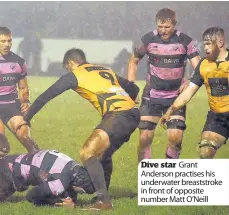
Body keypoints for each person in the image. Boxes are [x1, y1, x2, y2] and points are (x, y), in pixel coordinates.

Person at [24, 48, 140, 210]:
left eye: (67, 67)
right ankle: (102, 194)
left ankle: (104, 201)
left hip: (119, 115)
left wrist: (26, 118)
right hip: (132, 114)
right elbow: (134, 89)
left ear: (71, 63)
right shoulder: (103, 69)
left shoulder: (76, 74)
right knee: (103, 154)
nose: (68, 71)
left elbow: (47, 95)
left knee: (87, 152)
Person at [127, 8, 201, 162]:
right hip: (151, 97)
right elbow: (133, 61)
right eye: (160, 26)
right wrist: (131, 87)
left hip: (175, 97)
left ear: (174, 25)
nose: (163, 30)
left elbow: (199, 67)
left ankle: (168, 175)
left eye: (167, 27)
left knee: (175, 138)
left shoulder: (185, 41)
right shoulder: (148, 40)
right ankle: (146, 177)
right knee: (145, 138)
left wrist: (188, 80)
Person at [161, 27, 229, 158]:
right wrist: (170, 111)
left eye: (209, 44)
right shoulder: (204, 64)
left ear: (220, 42)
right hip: (218, 118)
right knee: (205, 152)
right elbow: (189, 91)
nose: (205, 48)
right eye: (204, 44)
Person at [0, 150, 95, 208]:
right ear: (79, 186)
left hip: (9, 162)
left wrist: (72, 202)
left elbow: (66, 186)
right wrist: (55, 205)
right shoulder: (60, 182)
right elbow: (31, 196)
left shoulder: (73, 165)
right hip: (8, 174)